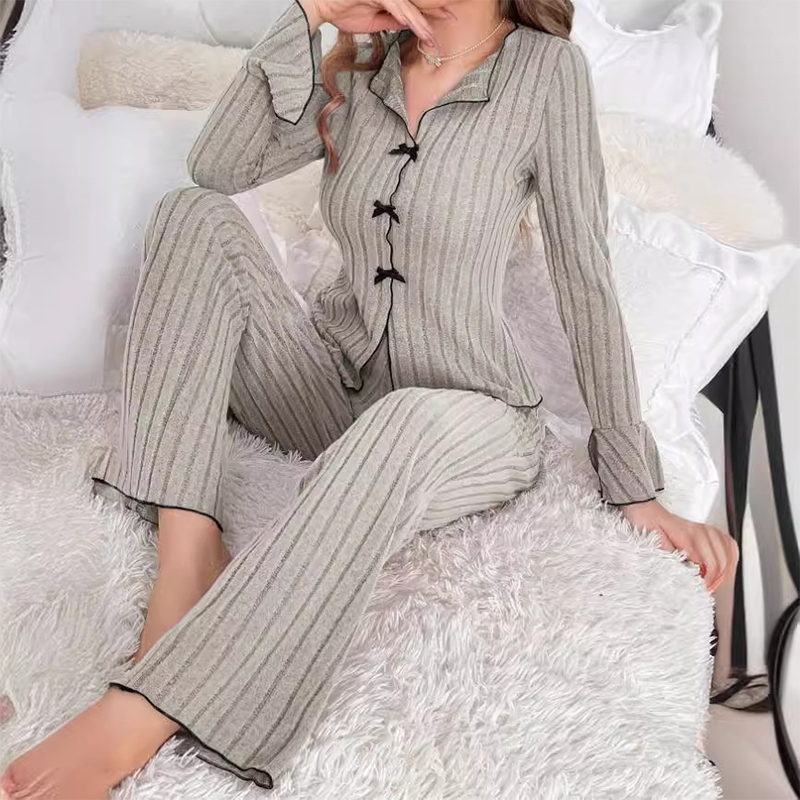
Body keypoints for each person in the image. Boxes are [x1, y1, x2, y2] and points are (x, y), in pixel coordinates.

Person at [1, 0, 738, 796]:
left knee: (404, 418)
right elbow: (217, 167)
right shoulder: (366, 66)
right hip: (333, 387)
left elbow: (585, 276)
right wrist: (309, 14)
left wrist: (635, 485)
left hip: (466, 412)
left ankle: (159, 703)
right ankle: (188, 557)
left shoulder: (545, 73)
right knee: (193, 216)